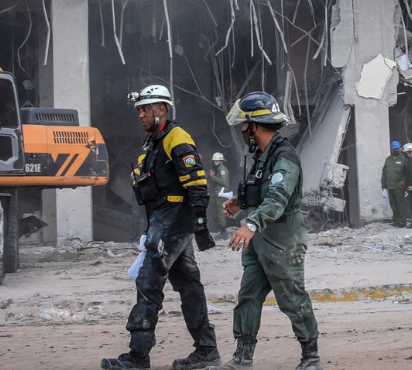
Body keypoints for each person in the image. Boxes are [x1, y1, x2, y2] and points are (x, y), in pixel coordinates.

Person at [102, 85, 219, 370]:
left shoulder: (176, 138)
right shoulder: (155, 142)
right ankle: (206, 350)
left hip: (173, 221)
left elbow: (197, 183)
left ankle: (138, 356)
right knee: (189, 285)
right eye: (139, 110)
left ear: (162, 109)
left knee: (148, 282)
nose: (141, 115)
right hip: (165, 221)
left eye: (146, 109)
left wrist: (201, 223)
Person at [208, 92, 322, 370]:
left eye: (244, 126)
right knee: (248, 297)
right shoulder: (262, 155)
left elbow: (278, 198)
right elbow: (261, 188)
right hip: (261, 241)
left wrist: (250, 224)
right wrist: (241, 202)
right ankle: (242, 359)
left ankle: (311, 359)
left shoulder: (285, 157)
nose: (242, 130)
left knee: (292, 298)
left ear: (254, 126)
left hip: (283, 240)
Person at [380, 140, 408, 228]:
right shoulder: (388, 159)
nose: (395, 150)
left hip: (399, 186)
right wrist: (383, 185)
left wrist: (404, 181)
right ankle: (395, 220)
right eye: (393, 149)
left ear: (400, 149)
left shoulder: (404, 159)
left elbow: (407, 172)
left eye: (397, 149)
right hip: (390, 185)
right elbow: (384, 172)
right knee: (393, 204)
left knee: (400, 203)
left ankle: (402, 221)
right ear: (391, 150)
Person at [209, 152, 231, 236]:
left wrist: (213, 177)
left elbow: (223, 182)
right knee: (215, 214)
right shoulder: (219, 170)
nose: (215, 163)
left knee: (220, 213)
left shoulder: (222, 170)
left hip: (221, 194)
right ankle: (222, 230)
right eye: (214, 161)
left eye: (217, 161)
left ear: (221, 161)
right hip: (218, 194)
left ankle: (224, 232)